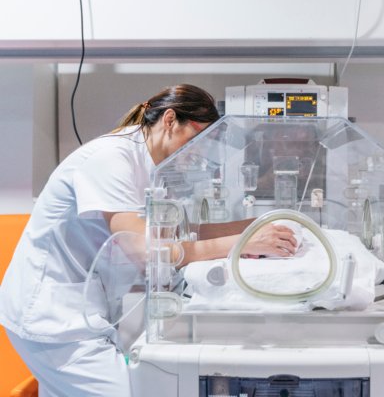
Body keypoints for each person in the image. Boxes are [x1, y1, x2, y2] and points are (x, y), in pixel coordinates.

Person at [0, 84, 297, 397]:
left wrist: (258, 224)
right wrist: (243, 244)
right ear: (169, 120)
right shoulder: (110, 159)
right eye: (197, 139)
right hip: (51, 317)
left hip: (80, 312)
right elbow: (145, 250)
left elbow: (181, 231)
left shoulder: (154, 167)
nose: (199, 152)